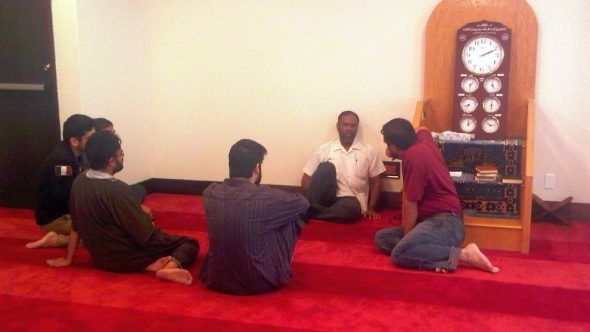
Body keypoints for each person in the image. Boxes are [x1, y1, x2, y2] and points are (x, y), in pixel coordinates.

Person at [46, 131, 199, 285]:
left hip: (101, 259)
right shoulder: (118, 189)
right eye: (120, 154)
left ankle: (149, 265)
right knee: (190, 243)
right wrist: (146, 216)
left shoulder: (79, 181)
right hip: (125, 257)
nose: (122, 157)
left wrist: (68, 259)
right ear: (111, 161)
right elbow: (144, 234)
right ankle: (170, 266)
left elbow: (76, 226)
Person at [374, 118, 499, 273]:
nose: (387, 150)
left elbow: (410, 202)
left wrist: (408, 237)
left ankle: (464, 254)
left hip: (445, 222)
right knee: (382, 238)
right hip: (429, 222)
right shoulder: (422, 140)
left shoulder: (414, 157)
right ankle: (435, 255)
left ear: (393, 146)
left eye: (388, 145)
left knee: (400, 254)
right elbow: (423, 128)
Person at [200, 139, 309, 295]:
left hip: (216, 279)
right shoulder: (268, 197)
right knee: (292, 218)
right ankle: (279, 266)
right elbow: (303, 204)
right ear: (257, 167)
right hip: (260, 282)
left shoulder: (210, 192)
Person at [26, 114, 95, 249]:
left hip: (69, 212)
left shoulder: (79, 153)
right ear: (75, 141)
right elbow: (66, 196)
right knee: (103, 231)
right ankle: (58, 240)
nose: (94, 141)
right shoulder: (62, 163)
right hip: (56, 219)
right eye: (90, 138)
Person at [301, 111, 385, 223]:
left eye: (353, 125)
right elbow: (305, 179)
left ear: (357, 128)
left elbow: (376, 182)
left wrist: (371, 207)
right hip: (325, 199)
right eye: (345, 125)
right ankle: (318, 210)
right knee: (326, 167)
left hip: (350, 201)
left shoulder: (369, 150)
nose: (349, 129)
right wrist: (313, 198)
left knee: (349, 210)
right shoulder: (324, 149)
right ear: (338, 127)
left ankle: (313, 213)